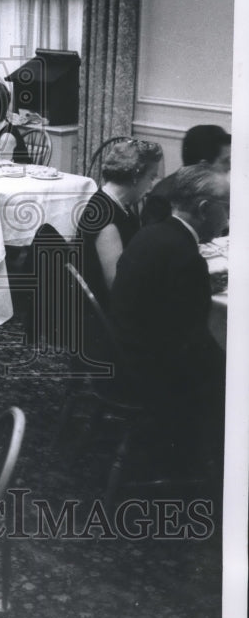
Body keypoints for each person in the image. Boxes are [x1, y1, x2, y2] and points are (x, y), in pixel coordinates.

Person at [111, 164, 229, 472]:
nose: (229, 218)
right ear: (204, 208)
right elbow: (193, 342)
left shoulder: (150, 234)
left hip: (124, 355)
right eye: (227, 208)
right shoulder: (187, 259)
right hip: (152, 375)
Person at [77, 139, 162, 308]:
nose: (151, 187)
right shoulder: (107, 222)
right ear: (136, 176)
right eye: (151, 178)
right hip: (104, 314)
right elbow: (117, 289)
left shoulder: (114, 203)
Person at [142, 125, 231, 225]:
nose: (230, 167)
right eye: (225, 161)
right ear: (203, 166)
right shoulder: (162, 198)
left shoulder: (219, 191)